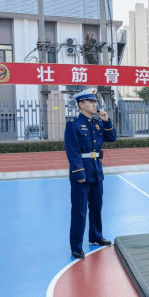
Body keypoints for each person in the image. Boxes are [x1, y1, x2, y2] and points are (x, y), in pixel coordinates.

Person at [65, 88, 117, 259]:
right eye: (91, 102)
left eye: (95, 102)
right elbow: (72, 151)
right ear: (81, 104)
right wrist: (79, 172)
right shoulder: (73, 125)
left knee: (96, 207)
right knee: (79, 210)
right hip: (82, 173)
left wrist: (106, 120)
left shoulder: (97, 123)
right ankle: (76, 246)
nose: (95, 105)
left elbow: (112, 138)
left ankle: (95, 236)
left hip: (96, 170)